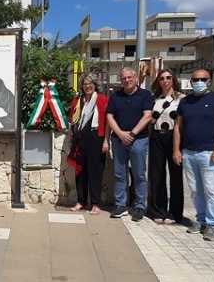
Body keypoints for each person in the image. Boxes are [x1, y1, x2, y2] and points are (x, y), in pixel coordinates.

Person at [174, 69, 214, 241]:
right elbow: (178, 127)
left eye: (202, 79)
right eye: (195, 79)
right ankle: (201, 220)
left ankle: (212, 225)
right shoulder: (186, 102)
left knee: (211, 190)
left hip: (209, 153)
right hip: (189, 152)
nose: (199, 82)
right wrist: (177, 150)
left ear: (209, 81)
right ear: (190, 82)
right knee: (195, 190)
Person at [106, 67, 154, 221]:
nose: (126, 80)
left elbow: (147, 116)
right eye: (123, 78)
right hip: (118, 140)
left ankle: (140, 206)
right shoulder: (116, 96)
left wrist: (132, 134)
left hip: (138, 140)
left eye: (129, 77)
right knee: (119, 174)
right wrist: (120, 134)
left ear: (135, 78)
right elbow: (109, 117)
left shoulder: (145, 95)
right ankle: (121, 204)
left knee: (139, 174)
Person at [66, 73, 110, 215]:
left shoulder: (103, 100)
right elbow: (72, 120)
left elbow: (108, 122)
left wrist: (106, 140)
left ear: (96, 85)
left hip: (96, 136)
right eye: (85, 83)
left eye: (90, 83)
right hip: (80, 138)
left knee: (95, 171)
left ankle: (96, 203)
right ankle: (81, 201)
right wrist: (70, 136)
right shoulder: (78, 101)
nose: (88, 86)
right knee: (80, 171)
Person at [148, 69, 185, 224]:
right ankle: (158, 210)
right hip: (157, 136)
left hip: (174, 137)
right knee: (157, 175)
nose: (165, 81)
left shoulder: (181, 98)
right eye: (162, 78)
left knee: (175, 175)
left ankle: (174, 213)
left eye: (168, 77)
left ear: (173, 79)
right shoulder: (154, 98)